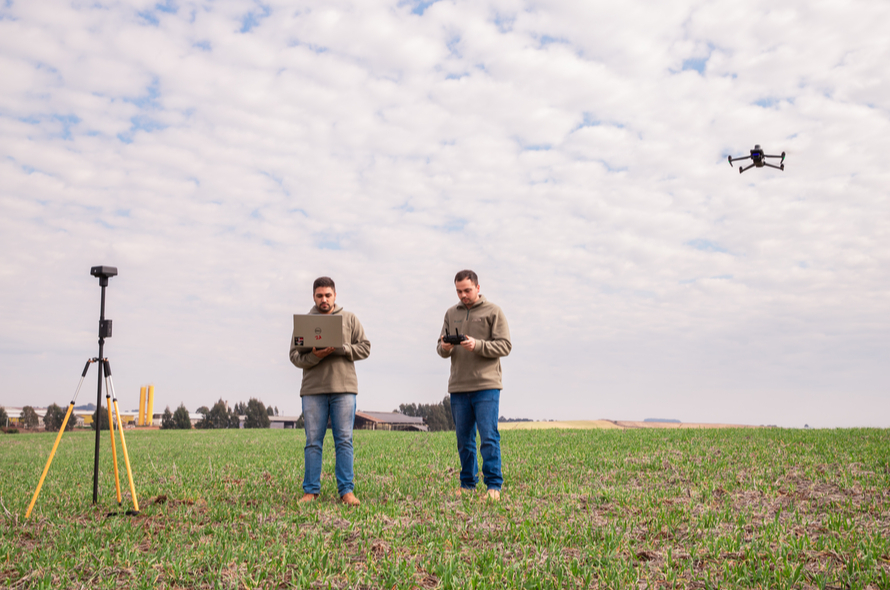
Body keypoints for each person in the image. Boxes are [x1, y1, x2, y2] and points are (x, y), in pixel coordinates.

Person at [290, 277, 370, 506]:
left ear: (335, 295)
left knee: (344, 440)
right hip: (313, 390)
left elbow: (365, 347)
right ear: (313, 297)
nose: (323, 300)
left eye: (327, 295)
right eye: (319, 296)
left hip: (343, 389)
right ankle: (311, 491)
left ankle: (346, 491)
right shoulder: (305, 322)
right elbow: (294, 356)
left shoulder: (350, 318)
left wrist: (342, 349)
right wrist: (316, 355)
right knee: (313, 441)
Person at [436, 270, 512, 501]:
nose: (463, 295)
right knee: (464, 440)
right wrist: (446, 348)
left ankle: (493, 486)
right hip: (458, 386)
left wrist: (477, 345)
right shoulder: (451, 313)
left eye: (467, 290)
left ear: (478, 287)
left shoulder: (493, 312)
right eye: (459, 291)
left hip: (487, 385)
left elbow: (505, 346)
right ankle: (468, 484)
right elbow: (440, 349)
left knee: (488, 437)